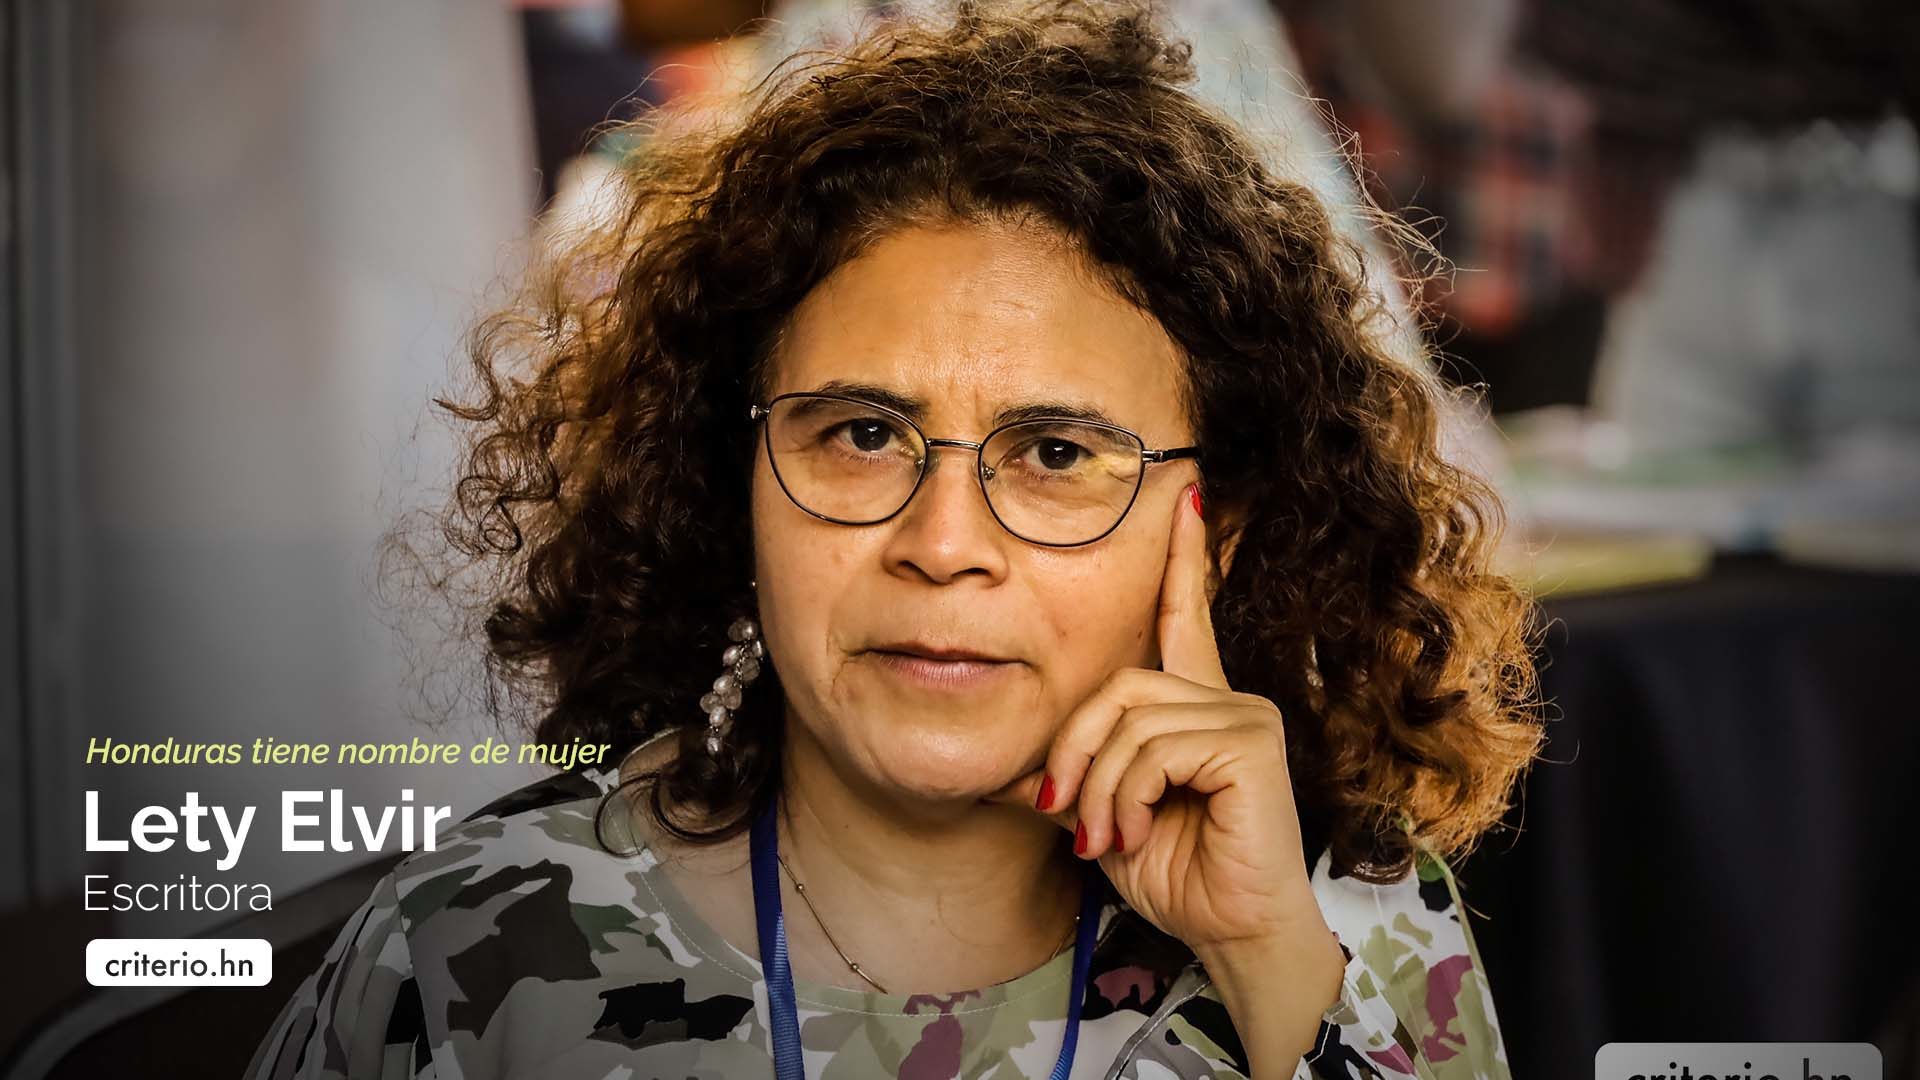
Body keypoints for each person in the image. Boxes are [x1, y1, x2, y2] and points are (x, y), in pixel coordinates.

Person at [249, 1, 1541, 1076]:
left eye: (1055, 454)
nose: (943, 542)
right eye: (863, 434)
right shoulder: (468, 950)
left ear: (1218, 535)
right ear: (734, 483)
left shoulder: (1359, 922)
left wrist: (1269, 963)